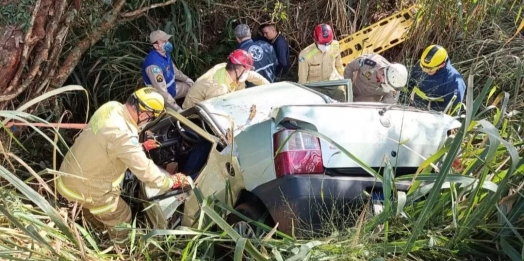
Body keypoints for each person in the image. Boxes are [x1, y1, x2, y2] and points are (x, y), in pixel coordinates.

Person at [57, 87, 187, 242]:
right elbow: (147, 173)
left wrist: (142, 147)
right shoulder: (124, 135)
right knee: (122, 217)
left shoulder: (111, 107)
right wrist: (172, 181)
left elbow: (110, 142)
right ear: (144, 113)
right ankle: (121, 250)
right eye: (151, 119)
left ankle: (96, 234)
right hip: (88, 187)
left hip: (69, 173)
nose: (149, 122)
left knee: (92, 213)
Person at [182, 49, 270, 109]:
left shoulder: (228, 68)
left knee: (241, 84)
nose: (248, 72)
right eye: (247, 70)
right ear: (238, 70)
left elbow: (255, 77)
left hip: (210, 101)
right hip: (193, 115)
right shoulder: (219, 87)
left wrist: (270, 88)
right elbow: (213, 112)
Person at [141, 30, 195, 112]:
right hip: (161, 98)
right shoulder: (153, 65)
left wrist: (187, 79)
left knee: (193, 88)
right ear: (156, 46)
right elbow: (162, 91)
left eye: (167, 40)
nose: (168, 43)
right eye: (164, 41)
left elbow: (175, 71)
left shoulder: (165, 53)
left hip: (173, 88)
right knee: (171, 115)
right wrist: (177, 108)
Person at [407, 44, 466, 112]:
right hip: (412, 113)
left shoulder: (454, 82)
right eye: (423, 67)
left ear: (442, 65)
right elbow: (408, 86)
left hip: (434, 120)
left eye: (429, 69)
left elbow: (452, 112)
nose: (424, 71)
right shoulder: (422, 66)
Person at [298, 23, 346, 101]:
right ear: (315, 40)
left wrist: (344, 81)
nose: (326, 46)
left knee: (342, 99)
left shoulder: (335, 45)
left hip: (333, 83)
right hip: (316, 86)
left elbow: (339, 65)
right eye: (323, 44)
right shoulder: (305, 55)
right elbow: (302, 78)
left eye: (328, 44)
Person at [343, 53, 408, 103]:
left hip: (367, 104)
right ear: (383, 74)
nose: (382, 83)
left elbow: (389, 103)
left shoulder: (395, 84)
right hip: (352, 89)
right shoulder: (368, 62)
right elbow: (350, 68)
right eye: (384, 83)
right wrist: (348, 87)